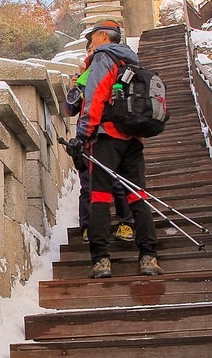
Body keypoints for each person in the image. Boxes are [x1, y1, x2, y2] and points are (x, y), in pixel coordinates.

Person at [70, 20, 163, 279]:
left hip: (106, 137)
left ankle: (101, 260)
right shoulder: (131, 61)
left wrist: (82, 135)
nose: (90, 43)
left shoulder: (102, 59)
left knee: (99, 197)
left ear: (102, 36)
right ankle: (148, 256)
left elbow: (96, 96)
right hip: (133, 138)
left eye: (92, 37)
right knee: (137, 196)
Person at [66, 40, 134, 244]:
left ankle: (125, 224)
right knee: (88, 184)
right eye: (89, 50)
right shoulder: (86, 76)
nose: (92, 52)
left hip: (109, 135)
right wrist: (75, 86)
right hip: (90, 138)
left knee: (117, 181)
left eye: (95, 48)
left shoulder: (118, 68)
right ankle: (89, 228)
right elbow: (70, 109)